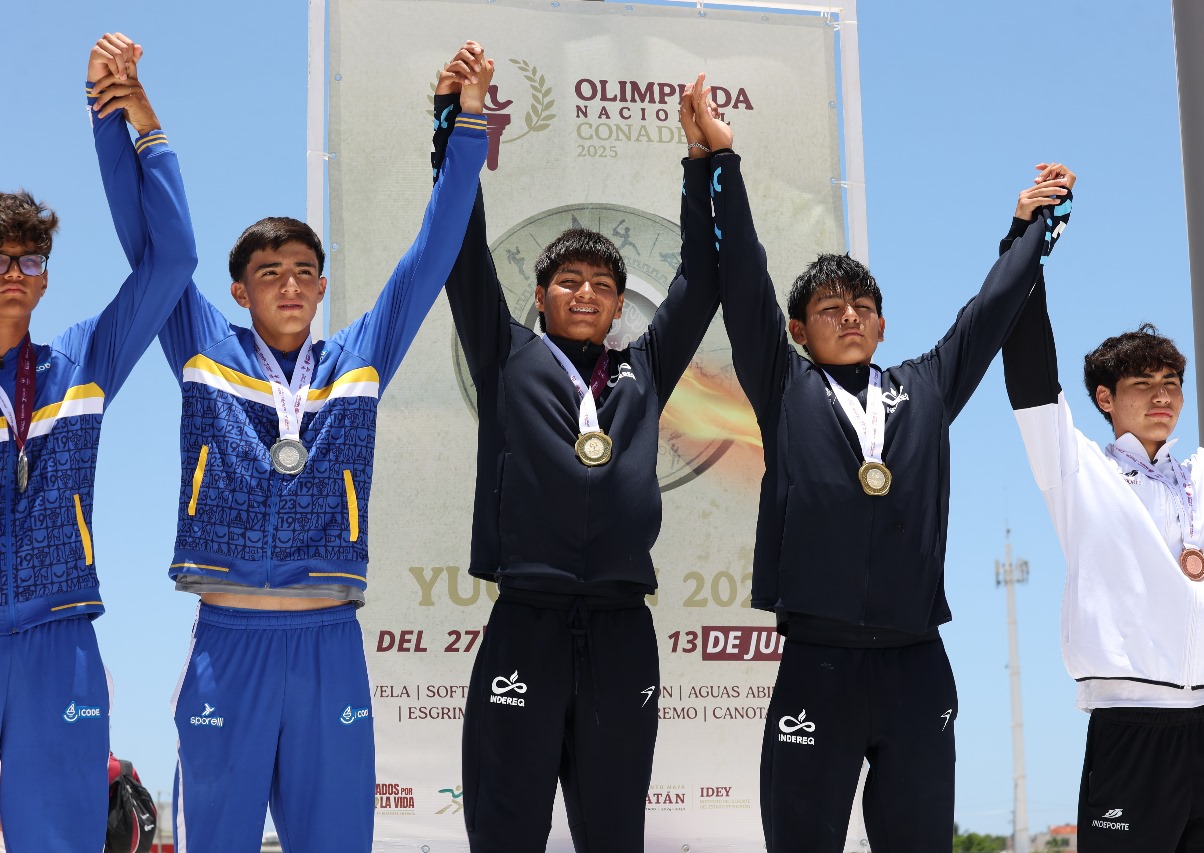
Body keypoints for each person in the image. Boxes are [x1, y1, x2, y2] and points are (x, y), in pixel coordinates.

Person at [90, 33, 490, 852]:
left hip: (327, 641)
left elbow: (433, 251)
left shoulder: (360, 356)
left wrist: (469, 125)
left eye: (305, 270)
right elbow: (150, 248)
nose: (291, 283)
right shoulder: (203, 344)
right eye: (270, 272)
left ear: (323, 285)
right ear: (239, 291)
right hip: (227, 641)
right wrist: (123, 123)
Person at [701, 76, 1073, 850]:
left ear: (881, 324)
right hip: (818, 662)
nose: (850, 316)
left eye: (863, 307)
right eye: (830, 308)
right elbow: (742, 281)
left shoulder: (925, 386)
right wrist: (721, 165)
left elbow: (988, 314)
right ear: (798, 330)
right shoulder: (784, 384)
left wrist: (1031, 227)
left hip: (916, 664)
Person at [433, 55, 720, 852]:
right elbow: (460, 247)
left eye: (601, 283)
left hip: (623, 626)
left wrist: (703, 162)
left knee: (615, 829)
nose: (585, 291)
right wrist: (455, 123)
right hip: (525, 617)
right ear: (540, 294)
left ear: (621, 303)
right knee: (507, 827)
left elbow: (702, 281)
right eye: (568, 279)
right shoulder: (505, 354)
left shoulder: (644, 370)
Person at [1001, 193, 1204, 851]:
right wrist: (1025, 241)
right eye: (1142, 383)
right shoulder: (1077, 470)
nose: (1163, 395)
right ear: (1105, 398)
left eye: (1172, 382)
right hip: (1129, 728)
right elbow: (1029, 367)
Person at [0, 33, 197, 851]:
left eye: (29, 260)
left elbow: (173, 260)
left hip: (60, 638)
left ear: (46, 276)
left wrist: (129, 122)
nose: (13, 273)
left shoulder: (80, 361)